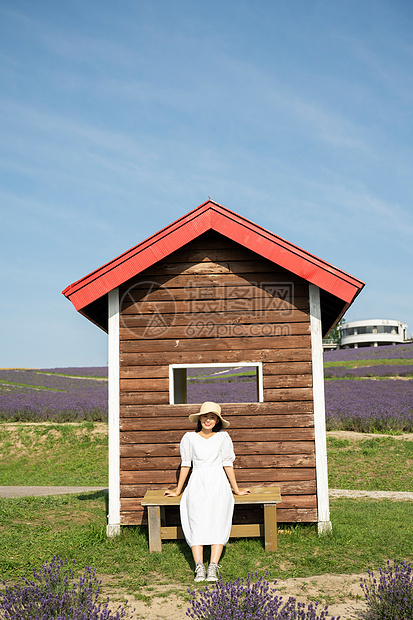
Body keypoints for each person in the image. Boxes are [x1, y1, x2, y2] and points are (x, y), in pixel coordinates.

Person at [164, 401, 250, 582]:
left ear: (217, 421)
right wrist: (178, 490)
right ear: (199, 418)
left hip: (218, 484)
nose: (208, 420)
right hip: (197, 484)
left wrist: (236, 489)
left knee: (218, 522)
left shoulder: (223, 438)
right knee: (196, 522)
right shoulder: (189, 438)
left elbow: (227, 463)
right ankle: (199, 567)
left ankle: (213, 567)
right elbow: (186, 464)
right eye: (205, 416)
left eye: (212, 417)